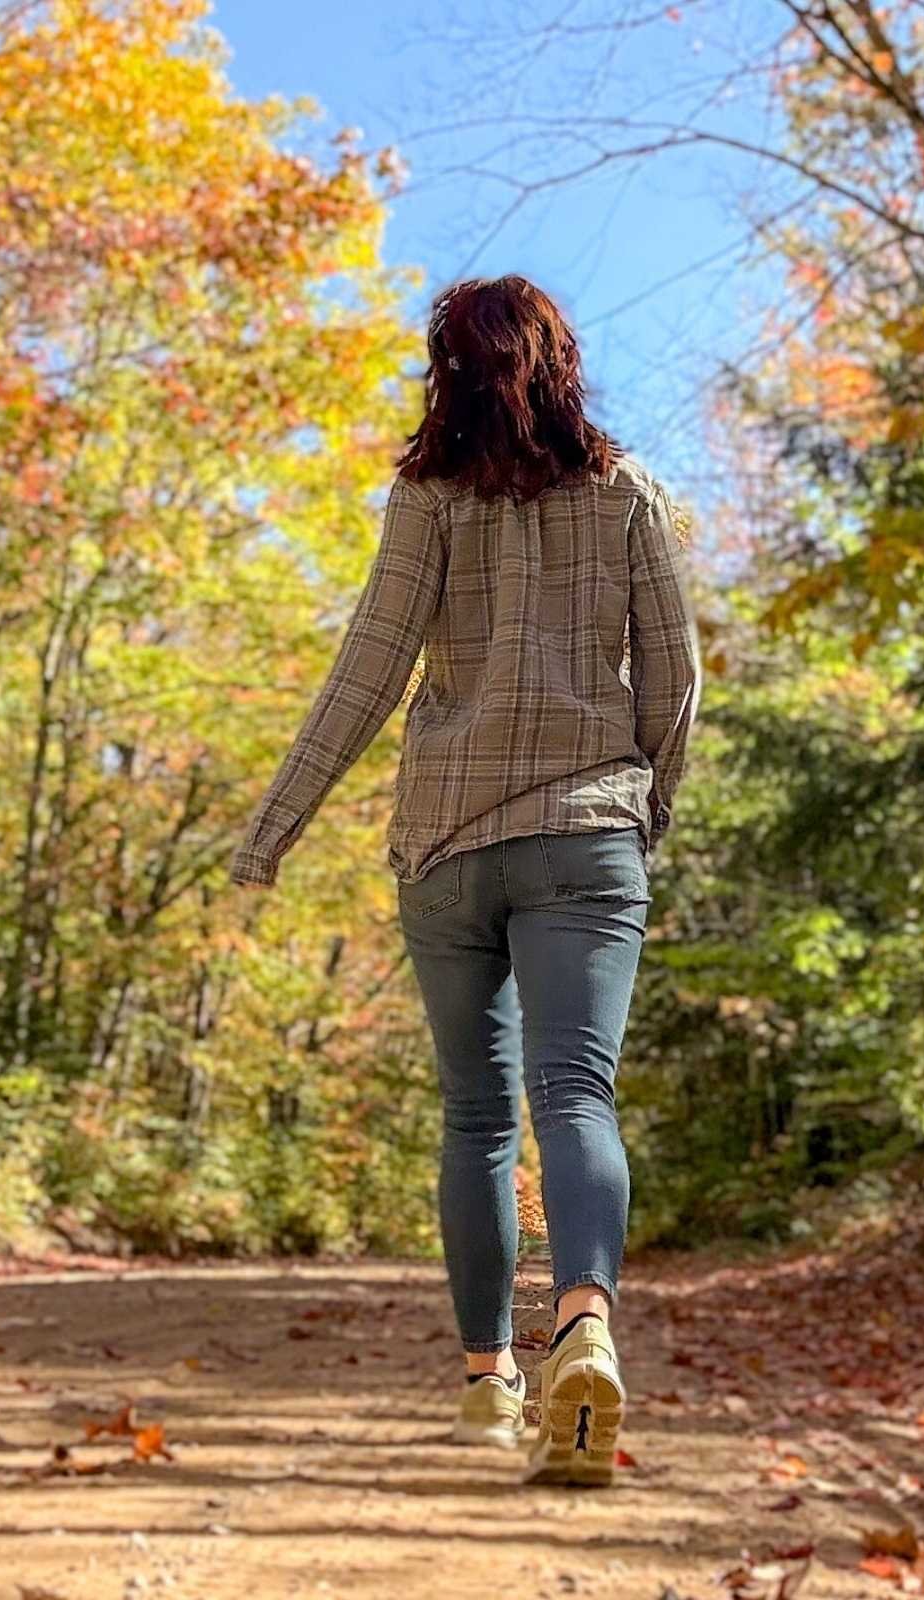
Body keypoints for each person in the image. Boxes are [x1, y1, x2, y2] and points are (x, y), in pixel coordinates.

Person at [230, 274, 701, 1486]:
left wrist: (273, 827)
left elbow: (368, 673)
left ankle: (489, 1380)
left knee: (479, 1116)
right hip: (588, 830)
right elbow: (676, 679)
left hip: (445, 845)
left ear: (446, 369)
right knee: (575, 1094)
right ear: (562, 362)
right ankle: (584, 1322)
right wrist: (643, 807)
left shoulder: (426, 500)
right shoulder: (630, 492)